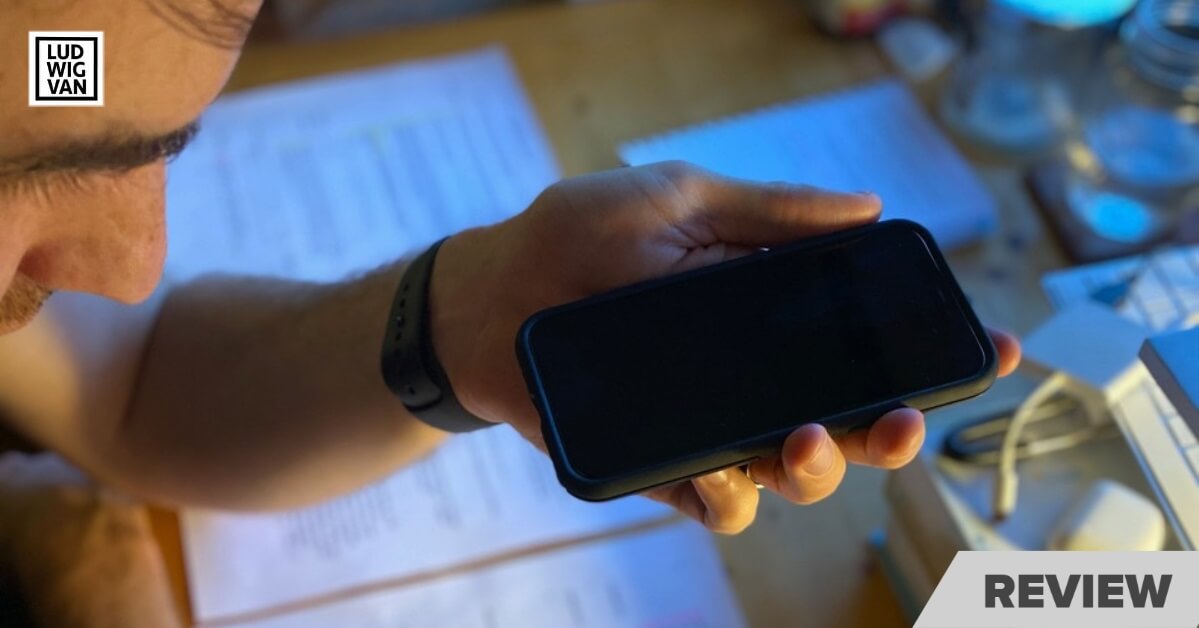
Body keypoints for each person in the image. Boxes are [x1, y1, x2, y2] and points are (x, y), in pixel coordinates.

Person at [0, 1, 1022, 626]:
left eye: (154, 149)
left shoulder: (53, 55)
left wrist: (467, 310)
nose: (135, 269)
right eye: (17, 173)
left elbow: (130, 387)